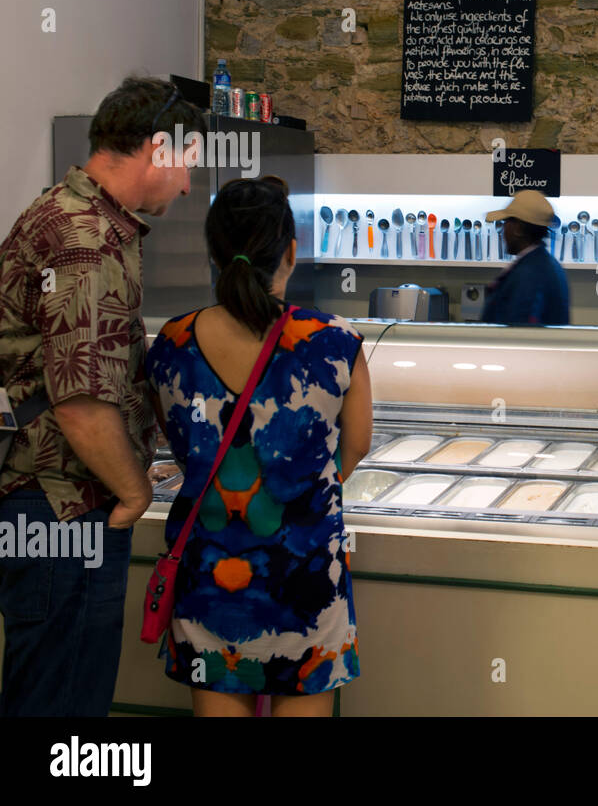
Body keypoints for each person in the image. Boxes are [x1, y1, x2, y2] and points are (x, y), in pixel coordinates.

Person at [0, 76, 203, 716]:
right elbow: (80, 401)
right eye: (189, 165)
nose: (189, 184)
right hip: (65, 508)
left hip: (48, 503)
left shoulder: (67, 213)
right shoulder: (86, 239)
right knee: (64, 707)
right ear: (159, 148)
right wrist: (136, 491)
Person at [146, 176, 371, 716]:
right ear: (290, 253)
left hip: (210, 583)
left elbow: (180, 446)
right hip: (306, 578)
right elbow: (356, 447)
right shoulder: (333, 340)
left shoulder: (171, 342)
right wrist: (298, 493)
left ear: (214, 253)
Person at [482, 190, 571, 326]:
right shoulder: (547, 264)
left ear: (518, 228)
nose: (503, 230)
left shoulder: (530, 273)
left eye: (506, 222)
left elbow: (520, 333)